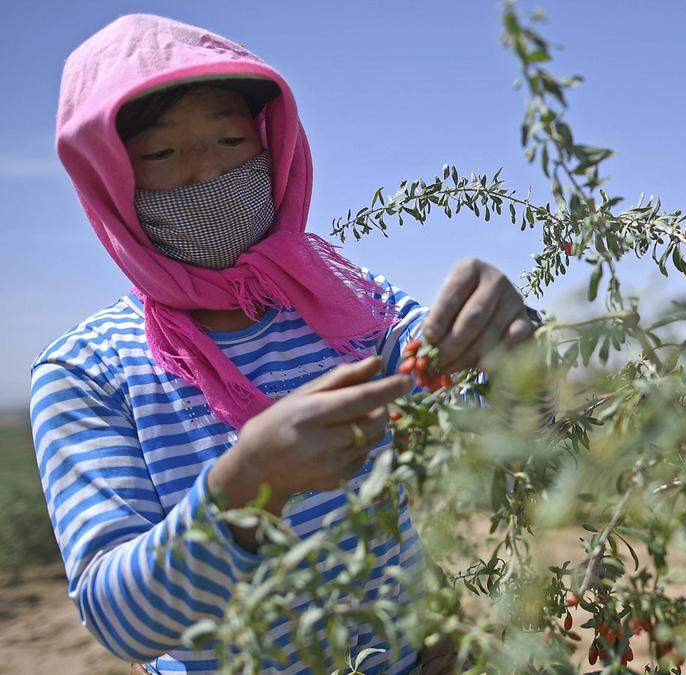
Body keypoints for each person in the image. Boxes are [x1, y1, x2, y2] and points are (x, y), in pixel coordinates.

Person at [31, 13, 533, 674]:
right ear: (109, 181)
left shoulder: (352, 305)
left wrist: (506, 345)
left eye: (229, 140)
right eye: (160, 154)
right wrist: (248, 484)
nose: (203, 175)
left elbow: (501, 423)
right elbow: (118, 618)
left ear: (271, 147)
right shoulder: (87, 371)